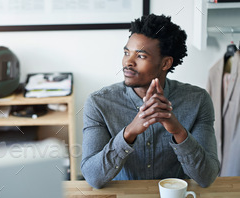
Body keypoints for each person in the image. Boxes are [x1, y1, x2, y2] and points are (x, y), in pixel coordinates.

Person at [81, 14, 220, 189]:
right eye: (126, 53)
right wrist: (129, 133)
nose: (128, 62)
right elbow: (93, 177)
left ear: (165, 63)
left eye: (141, 56)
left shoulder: (198, 100)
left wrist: (178, 131)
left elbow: (206, 177)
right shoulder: (99, 103)